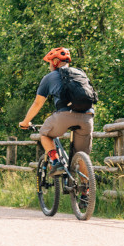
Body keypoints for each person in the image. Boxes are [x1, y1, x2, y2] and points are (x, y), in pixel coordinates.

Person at [18, 46, 94, 174]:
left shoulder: (49, 77)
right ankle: (86, 191)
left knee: (44, 134)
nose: (49, 66)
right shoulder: (81, 73)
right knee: (81, 156)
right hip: (88, 116)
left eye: (49, 63)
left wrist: (25, 122)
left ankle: (56, 162)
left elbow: (37, 104)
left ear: (55, 62)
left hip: (64, 115)